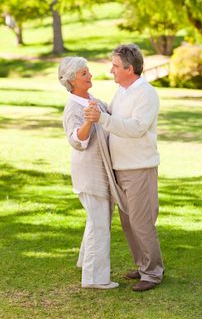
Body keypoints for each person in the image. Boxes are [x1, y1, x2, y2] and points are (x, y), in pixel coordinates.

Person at [84, 44, 164, 292]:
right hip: (121, 168)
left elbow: (137, 127)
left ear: (130, 68)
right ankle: (143, 266)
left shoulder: (146, 94)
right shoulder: (122, 92)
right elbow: (114, 115)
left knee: (142, 222)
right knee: (129, 223)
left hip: (139, 168)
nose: (111, 70)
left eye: (116, 66)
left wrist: (104, 119)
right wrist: (100, 107)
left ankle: (152, 273)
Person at [58, 56, 120, 290]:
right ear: (73, 80)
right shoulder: (73, 107)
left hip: (99, 171)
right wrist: (88, 122)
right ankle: (95, 278)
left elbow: (111, 114)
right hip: (89, 174)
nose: (90, 75)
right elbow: (76, 140)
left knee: (97, 220)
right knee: (99, 224)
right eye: (85, 73)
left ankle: (86, 262)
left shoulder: (91, 99)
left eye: (88, 71)